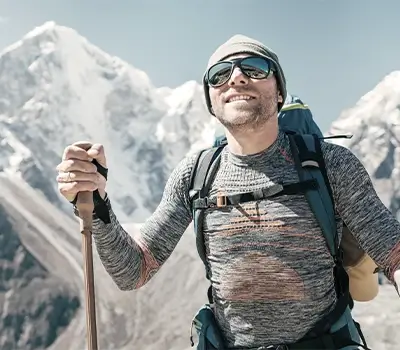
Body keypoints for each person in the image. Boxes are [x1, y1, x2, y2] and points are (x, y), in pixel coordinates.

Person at [56, 35, 400, 350]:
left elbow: (394, 253)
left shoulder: (330, 164)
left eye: (255, 67)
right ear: (210, 101)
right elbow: (134, 270)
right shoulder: (194, 176)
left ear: (279, 92)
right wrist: (99, 205)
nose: (236, 77)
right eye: (219, 74)